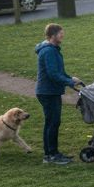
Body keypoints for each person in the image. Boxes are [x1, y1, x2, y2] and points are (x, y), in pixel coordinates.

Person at [34, 23, 82, 165]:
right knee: (52, 123)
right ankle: (51, 155)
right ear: (53, 35)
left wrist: (70, 78)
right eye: (61, 34)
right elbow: (53, 74)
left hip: (50, 91)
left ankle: (51, 153)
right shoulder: (48, 51)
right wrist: (69, 82)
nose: (63, 36)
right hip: (48, 92)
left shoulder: (52, 49)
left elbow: (58, 71)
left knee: (52, 122)